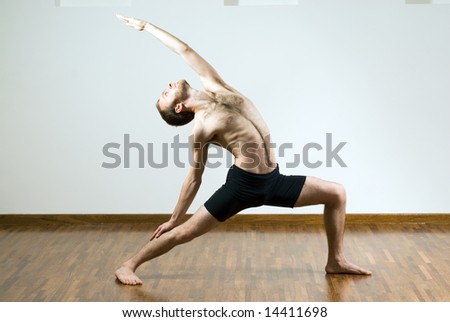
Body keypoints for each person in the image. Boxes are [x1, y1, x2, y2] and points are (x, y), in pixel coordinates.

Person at [115, 15, 371, 285]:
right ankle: (128, 265)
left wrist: (148, 27)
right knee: (183, 233)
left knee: (336, 193)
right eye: (165, 95)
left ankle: (336, 261)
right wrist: (174, 218)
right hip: (243, 186)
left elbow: (185, 50)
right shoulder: (201, 128)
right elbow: (194, 176)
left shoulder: (217, 87)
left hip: (274, 179)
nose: (167, 87)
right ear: (178, 108)